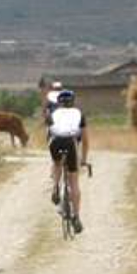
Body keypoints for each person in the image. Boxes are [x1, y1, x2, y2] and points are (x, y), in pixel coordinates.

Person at [48, 90, 89, 234]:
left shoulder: (53, 114)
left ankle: (55, 188)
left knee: (57, 163)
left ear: (59, 103)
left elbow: (50, 136)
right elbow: (85, 141)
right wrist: (83, 160)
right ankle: (76, 217)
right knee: (74, 182)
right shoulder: (79, 114)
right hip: (71, 143)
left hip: (55, 143)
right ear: (73, 101)